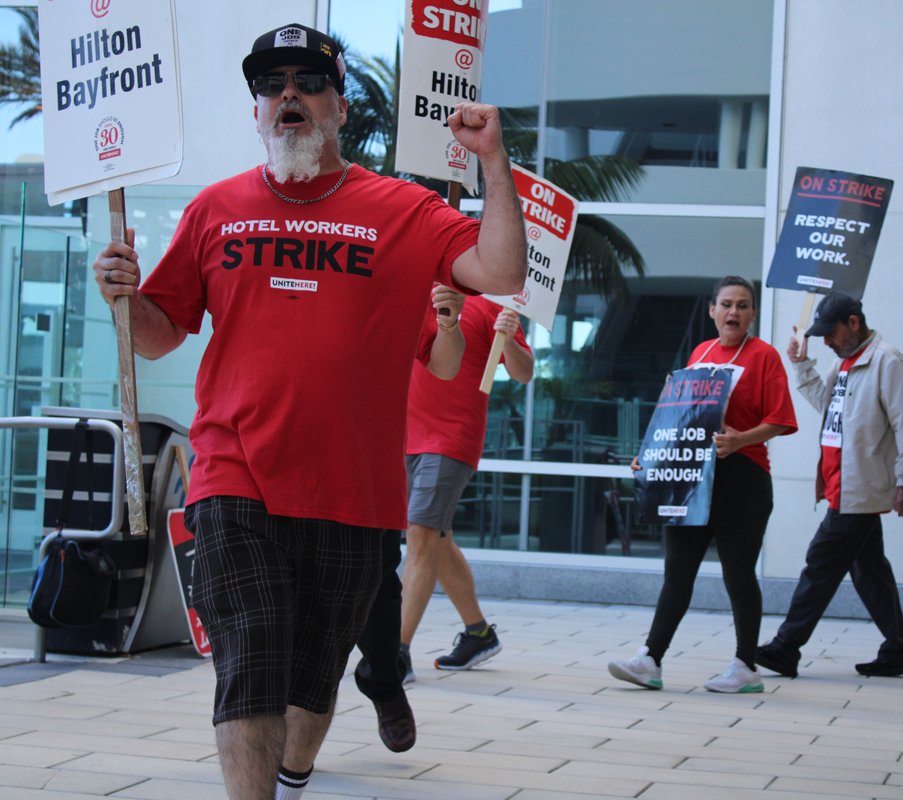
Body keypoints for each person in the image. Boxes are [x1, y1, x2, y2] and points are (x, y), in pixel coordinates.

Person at [91, 22, 525, 800]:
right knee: (250, 653)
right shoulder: (216, 209)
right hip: (234, 475)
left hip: (353, 493)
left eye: (308, 82)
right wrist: (124, 297)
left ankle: (291, 781)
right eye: (271, 84)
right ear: (257, 109)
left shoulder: (402, 209)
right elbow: (159, 336)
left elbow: (498, 268)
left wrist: (492, 159)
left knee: (313, 681)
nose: (287, 94)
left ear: (339, 107)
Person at [608, 276, 797, 693]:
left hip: (743, 478)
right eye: (726, 304)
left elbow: (782, 419)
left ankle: (746, 666)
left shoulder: (764, 356)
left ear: (753, 314)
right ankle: (650, 659)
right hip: (693, 479)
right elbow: (678, 416)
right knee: (677, 572)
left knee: (738, 574)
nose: (734, 312)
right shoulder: (699, 354)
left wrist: (741, 440)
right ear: (712, 310)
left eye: (743, 305)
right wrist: (651, 455)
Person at [354, 294, 532, 706]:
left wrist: (509, 340)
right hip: (400, 435)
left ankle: (394, 654)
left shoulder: (489, 304)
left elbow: (524, 373)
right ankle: (479, 634)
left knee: (420, 534)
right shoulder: (411, 290)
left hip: (451, 438)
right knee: (437, 538)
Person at [756, 291, 903, 681]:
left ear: (853, 322)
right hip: (841, 484)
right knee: (869, 571)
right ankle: (901, 649)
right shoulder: (845, 363)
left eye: (830, 333)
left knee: (820, 564)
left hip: (859, 488)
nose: (827, 342)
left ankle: (785, 647)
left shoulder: (886, 361)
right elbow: (827, 406)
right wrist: (802, 365)